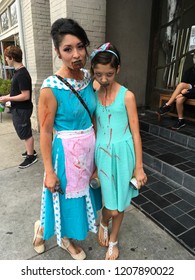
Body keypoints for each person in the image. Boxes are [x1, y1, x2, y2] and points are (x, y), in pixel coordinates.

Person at [32, 18, 102, 260]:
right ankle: (56, 236)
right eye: (68, 49)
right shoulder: (50, 88)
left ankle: (54, 231)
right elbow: (45, 132)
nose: (76, 54)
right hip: (66, 154)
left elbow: (93, 116)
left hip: (88, 151)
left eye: (80, 46)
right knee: (62, 199)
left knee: (82, 197)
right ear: (57, 52)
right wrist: (49, 171)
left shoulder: (87, 79)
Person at [90, 43, 147, 260]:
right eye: (98, 74)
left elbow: (135, 134)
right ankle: (104, 220)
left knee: (120, 203)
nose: (104, 79)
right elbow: (96, 127)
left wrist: (139, 168)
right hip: (102, 154)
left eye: (109, 74)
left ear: (118, 69)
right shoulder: (94, 94)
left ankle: (113, 240)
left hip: (124, 155)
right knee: (110, 203)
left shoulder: (128, 96)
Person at [0, 46, 37, 168]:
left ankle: (31, 157)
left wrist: (8, 99)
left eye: (6, 57)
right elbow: (18, 92)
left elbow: (25, 96)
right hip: (20, 108)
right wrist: (7, 96)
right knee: (24, 132)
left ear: (12, 58)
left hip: (22, 109)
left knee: (26, 133)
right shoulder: (18, 72)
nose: (6, 60)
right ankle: (30, 151)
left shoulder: (21, 74)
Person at [157, 53, 195, 130]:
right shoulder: (189, 70)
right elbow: (183, 83)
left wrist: (187, 91)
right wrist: (183, 93)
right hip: (188, 91)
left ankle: (167, 105)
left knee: (181, 87)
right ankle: (181, 120)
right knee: (179, 99)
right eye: (194, 58)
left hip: (193, 92)